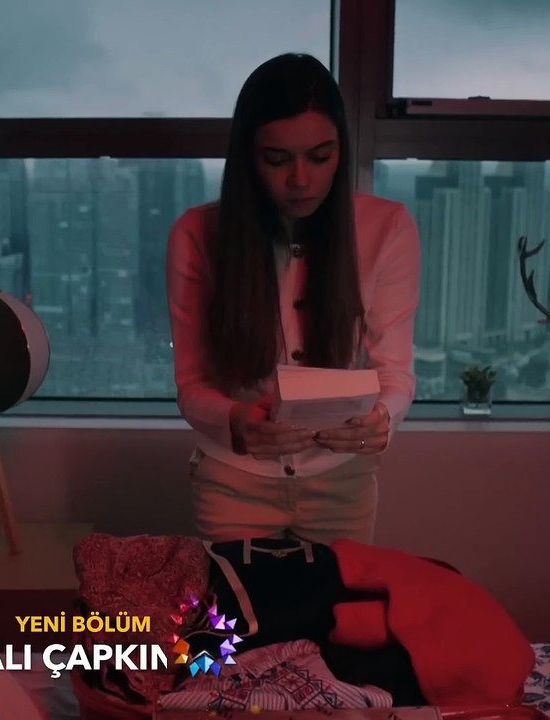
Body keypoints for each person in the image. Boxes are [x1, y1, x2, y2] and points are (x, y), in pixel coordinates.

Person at [166, 53, 420, 545]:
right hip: (234, 480)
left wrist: (381, 418)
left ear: (342, 149)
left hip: (341, 480)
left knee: (340, 598)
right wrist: (238, 420)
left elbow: (395, 371)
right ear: (248, 158)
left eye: (321, 156)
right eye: (277, 160)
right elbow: (192, 385)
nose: (301, 180)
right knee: (234, 601)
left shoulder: (387, 228)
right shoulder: (196, 234)